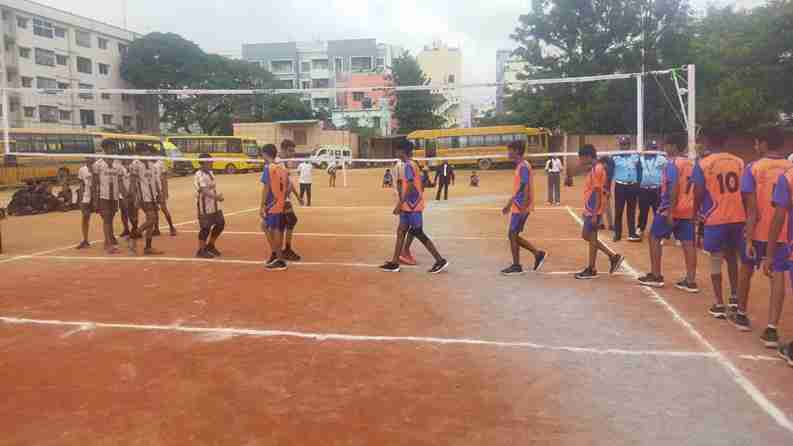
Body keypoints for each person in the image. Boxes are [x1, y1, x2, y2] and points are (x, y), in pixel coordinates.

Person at [730, 128, 792, 344]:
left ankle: (741, 314)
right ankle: (772, 328)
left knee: (746, 269)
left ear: (764, 144)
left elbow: (752, 210)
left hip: (759, 231)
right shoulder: (790, 168)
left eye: (757, 143)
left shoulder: (753, 168)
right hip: (785, 233)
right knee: (778, 276)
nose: (755, 147)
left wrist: (748, 237)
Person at [692, 130, 746, 319]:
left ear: (707, 141)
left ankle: (719, 303)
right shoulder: (739, 161)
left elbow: (698, 193)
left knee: (715, 257)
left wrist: (695, 214)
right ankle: (734, 296)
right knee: (732, 256)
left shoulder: (703, 163)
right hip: (738, 216)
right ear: (726, 141)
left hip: (715, 216)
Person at [637, 134, 699, 292]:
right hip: (688, 208)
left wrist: (670, 211)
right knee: (688, 243)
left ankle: (656, 275)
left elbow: (674, 186)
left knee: (654, 237)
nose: (665, 148)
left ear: (673, 146)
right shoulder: (692, 164)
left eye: (667, 145)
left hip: (670, 208)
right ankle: (691, 281)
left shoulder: (673, 164)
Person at [380, 139, 449, 274]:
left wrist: (399, 204)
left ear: (402, 151)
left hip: (413, 205)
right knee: (401, 231)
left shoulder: (409, 166)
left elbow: (411, 187)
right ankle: (395, 262)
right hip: (408, 205)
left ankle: (440, 260)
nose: (396, 152)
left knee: (418, 232)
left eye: (397, 150)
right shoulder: (410, 164)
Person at [575, 144, 624, 280]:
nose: (580, 161)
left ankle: (592, 268)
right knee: (589, 236)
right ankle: (612, 257)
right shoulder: (596, 168)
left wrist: (596, 214)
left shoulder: (597, 169)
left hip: (593, 209)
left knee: (590, 236)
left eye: (581, 158)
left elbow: (597, 192)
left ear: (588, 157)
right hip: (592, 208)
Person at [501, 140, 547, 275]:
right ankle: (537, 254)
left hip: (521, 207)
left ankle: (517, 265)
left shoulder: (523, 166)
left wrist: (523, 208)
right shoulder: (521, 166)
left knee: (512, 234)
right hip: (518, 205)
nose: (508, 153)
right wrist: (509, 204)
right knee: (513, 235)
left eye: (509, 150)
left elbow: (525, 187)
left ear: (516, 151)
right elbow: (520, 187)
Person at [260, 144, 289, 271]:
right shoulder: (281, 167)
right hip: (279, 202)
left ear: (265, 154)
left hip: (272, 204)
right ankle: (275, 254)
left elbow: (266, 188)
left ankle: (280, 259)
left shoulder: (269, 167)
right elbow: (287, 186)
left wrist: (262, 205)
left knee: (274, 230)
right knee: (267, 226)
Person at [129, 154, 163, 256]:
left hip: (152, 197)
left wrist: (159, 194)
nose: (147, 154)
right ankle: (134, 234)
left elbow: (155, 181)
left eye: (148, 152)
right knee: (152, 219)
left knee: (151, 223)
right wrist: (135, 197)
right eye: (145, 152)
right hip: (143, 197)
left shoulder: (152, 165)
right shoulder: (135, 164)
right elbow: (133, 182)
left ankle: (148, 247)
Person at [194, 153, 225, 259]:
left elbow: (211, 188)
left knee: (220, 224)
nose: (212, 163)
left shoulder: (211, 173)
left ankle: (210, 245)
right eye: (209, 161)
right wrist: (216, 197)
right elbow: (204, 190)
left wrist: (217, 197)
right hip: (204, 205)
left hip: (214, 205)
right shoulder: (199, 175)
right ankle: (201, 250)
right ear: (203, 163)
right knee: (205, 228)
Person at [278, 139, 304, 261]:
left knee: (286, 222)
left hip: (285, 198)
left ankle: (284, 250)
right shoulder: (278, 162)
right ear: (283, 149)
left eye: (293, 150)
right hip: (280, 198)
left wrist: (298, 196)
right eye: (290, 150)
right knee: (290, 220)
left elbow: (289, 182)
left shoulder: (285, 163)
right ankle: (282, 251)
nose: (292, 153)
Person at [612, 137, 641, 242]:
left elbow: (639, 171)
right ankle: (617, 234)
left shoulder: (635, 156)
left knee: (631, 211)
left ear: (629, 145)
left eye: (626, 144)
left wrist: (638, 185)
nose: (624, 146)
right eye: (622, 144)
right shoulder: (615, 157)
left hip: (632, 186)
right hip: (620, 186)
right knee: (618, 211)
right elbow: (610, 171)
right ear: (620, 146)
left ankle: (632, 233)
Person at [637, 141, 667, 238]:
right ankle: (640, 229)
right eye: (651, 148)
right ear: (647, 149)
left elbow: (669, 167)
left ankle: (661, 231)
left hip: (656, 189)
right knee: (643, 211)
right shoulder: (640, 159)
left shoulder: (661, 159)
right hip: (643, 189)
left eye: (654, 148)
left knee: (658, 211)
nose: (653, 151)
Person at [93, 156, 123, 254]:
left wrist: (124, 194)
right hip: (103, 196)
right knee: (106, 219)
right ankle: (108, 244)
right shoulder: (98, 164)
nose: (111, 150)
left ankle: (109, 239)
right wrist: (95, 198)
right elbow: (95, 183)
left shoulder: (117, 164)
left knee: (111, 218)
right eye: (109, 148)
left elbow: (119, 181)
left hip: (114, 196)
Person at [152, 153, 177, 237]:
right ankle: (156, 229)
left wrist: (164, 192)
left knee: (164, 209)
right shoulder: (148, 164)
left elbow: (164, 179)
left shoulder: (160, 163)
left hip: (160, 191)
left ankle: (171, 227)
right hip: (152, 191)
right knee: (154, 210)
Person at [76, 158, 96, 249]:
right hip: (86, 197)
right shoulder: (82, 170)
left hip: (98, 196)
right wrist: (80, 199)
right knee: (85, 217)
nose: (89, 160)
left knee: (106, 217)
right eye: (87, 158)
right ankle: (85, 240)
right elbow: (81, 185)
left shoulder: (97, 168)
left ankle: (109, 239)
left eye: (90, 158)